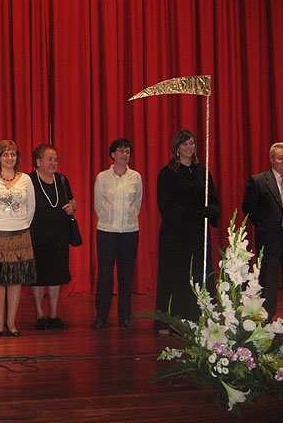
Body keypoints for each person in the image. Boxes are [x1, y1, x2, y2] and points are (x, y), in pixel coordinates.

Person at [154, 130, 220, 335]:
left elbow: (214, 201)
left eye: (191, 143)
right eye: (184, 144)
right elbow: (165, 205)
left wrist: (212, 211)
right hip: (175, 234)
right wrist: (194, 214)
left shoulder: (203, 172)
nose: (189, 147)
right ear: (177, 148)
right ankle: (166, 321)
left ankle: (194, 318)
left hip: (198, 235)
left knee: (198, 276)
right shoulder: (167, 173)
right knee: (174, 276)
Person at [242, 142, 283, 326]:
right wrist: (265, 225)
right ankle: (266, 314)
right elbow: (248, 208)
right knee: (268, 278)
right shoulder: (258, 180)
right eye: (281, 158)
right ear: (272, 159)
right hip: (270, 237)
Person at [0, 140, 36, 337]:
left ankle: (12, 323)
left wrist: (20, 225)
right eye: (6, 154)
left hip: (20, 234)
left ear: (17, 158)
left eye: (13, 154)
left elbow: (31, 208)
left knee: (15, 280)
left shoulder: (26, 179)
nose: (10, 158)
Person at [93, 138, 143, 330]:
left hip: (130, 232)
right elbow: (99, 205)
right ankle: (101, 317)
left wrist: (127, 222)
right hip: (106, 232)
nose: (124, 155)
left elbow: (136, 204)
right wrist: (110, 222)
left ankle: (125, 317)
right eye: (121, 151)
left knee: (126, 276)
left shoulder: (136, 177)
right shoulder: (102, 177)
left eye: (128, 151)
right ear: (113, 154)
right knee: (105, 275)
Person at [28, 144, 76, 331]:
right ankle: (40, 314)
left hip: (59, 234)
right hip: (36, 234)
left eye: (55, 159)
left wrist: (73, 205)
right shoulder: (29, 180)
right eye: (49, 159)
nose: (53, 163)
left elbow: (72, 201)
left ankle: (54, 314)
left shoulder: (62, 180)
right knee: (38, 276)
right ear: (38, 161)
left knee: (57, 275)